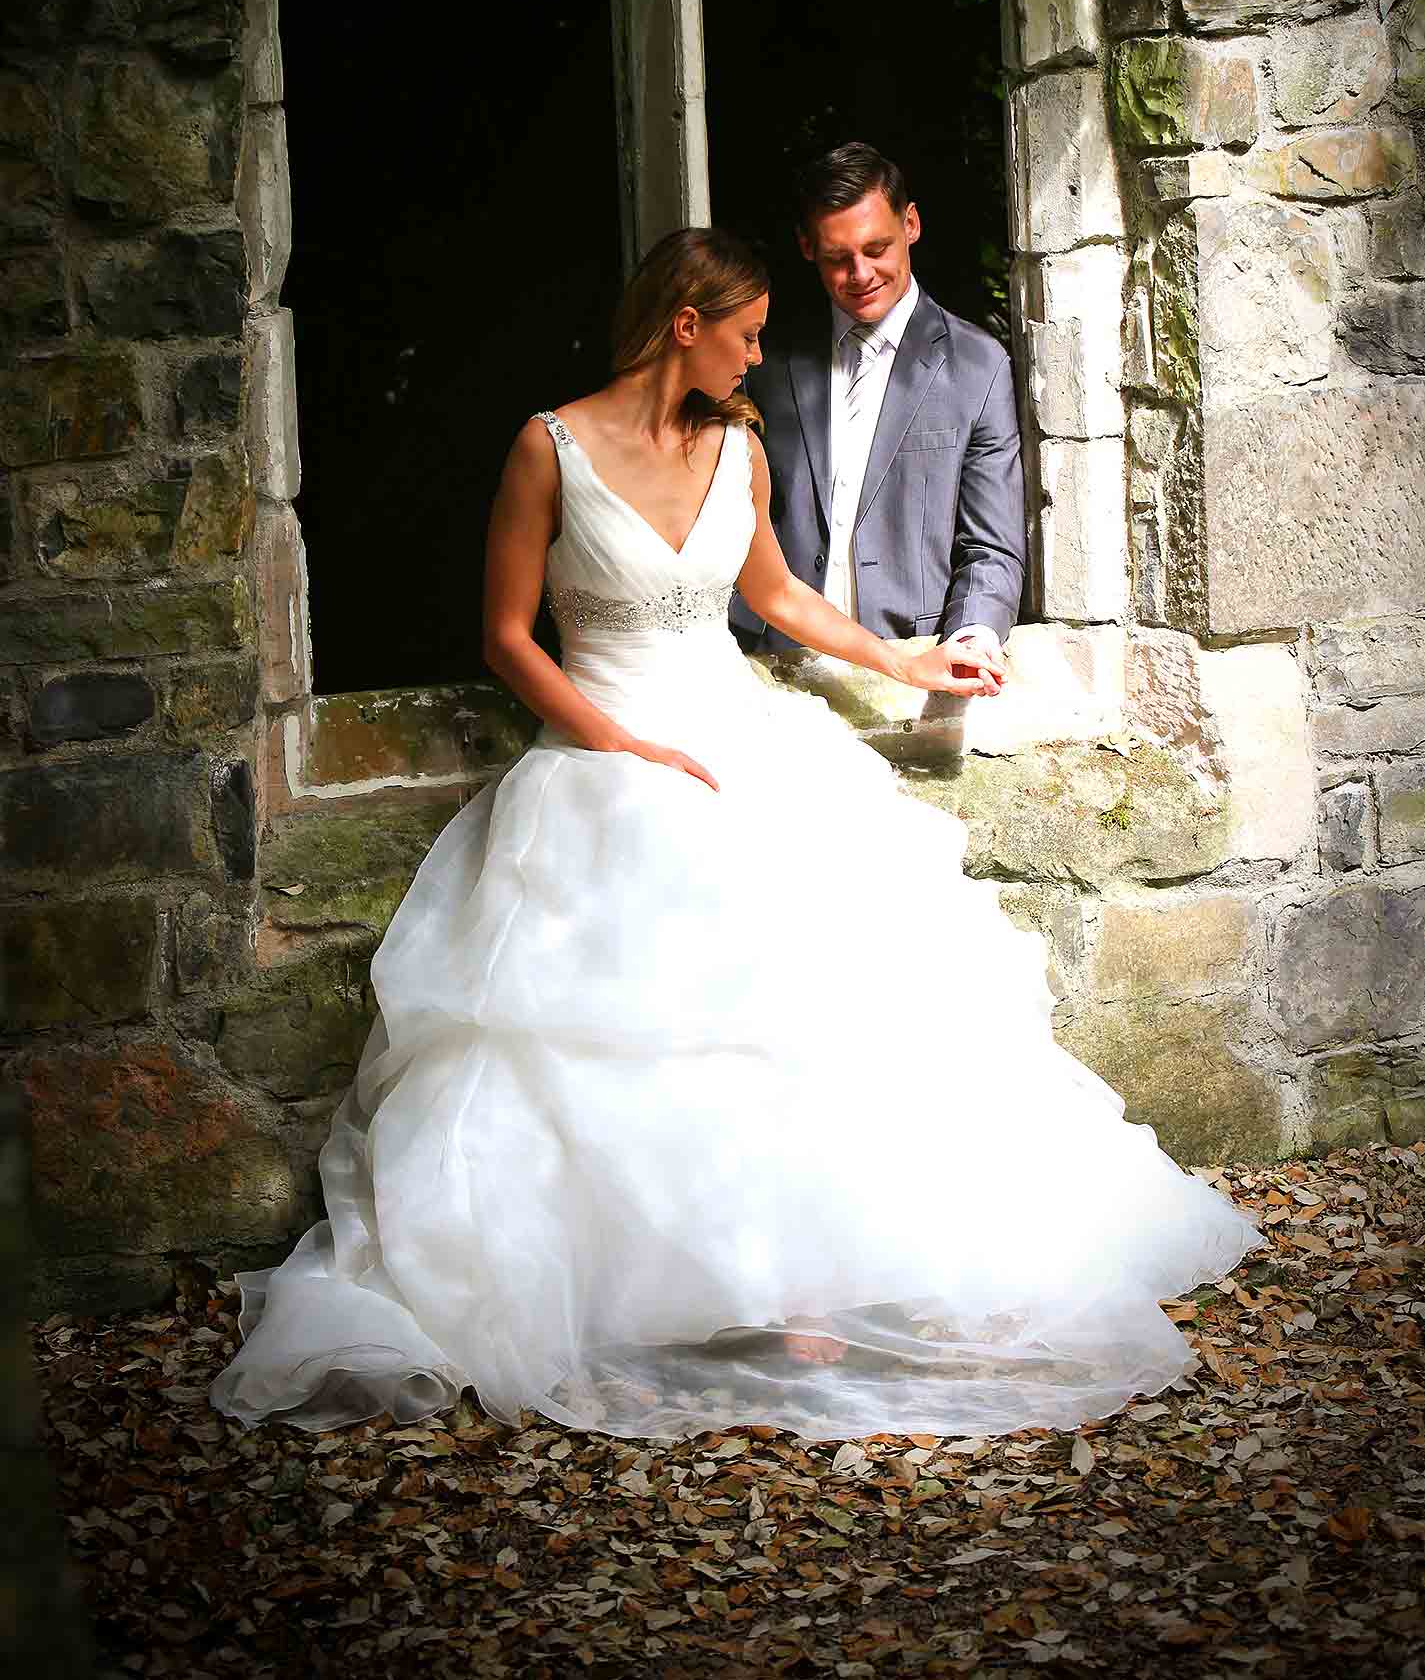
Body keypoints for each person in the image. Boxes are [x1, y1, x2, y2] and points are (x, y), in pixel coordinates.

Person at [211, 228, 1258, 1443]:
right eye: (748, 333)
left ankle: (809, 1276)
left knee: (814, 981)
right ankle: (670, 1282)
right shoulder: (549, 446)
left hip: (741, 738)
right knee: (629, 995)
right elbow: (506, 637)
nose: (761, 354)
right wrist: (618, 745)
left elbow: (778, 596)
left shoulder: (740, 445)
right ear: (685, 324)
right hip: (606, 748)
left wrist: (905, 658)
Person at [732, 142, 1024, 683]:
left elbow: (991, 546)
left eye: (877, 249)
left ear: (910, 224)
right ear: (807, 247)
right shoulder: (764, 357)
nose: (860, 273)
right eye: (837, 258)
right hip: (768, 666)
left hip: (912, 662)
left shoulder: (978, 366)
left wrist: (973, 639)